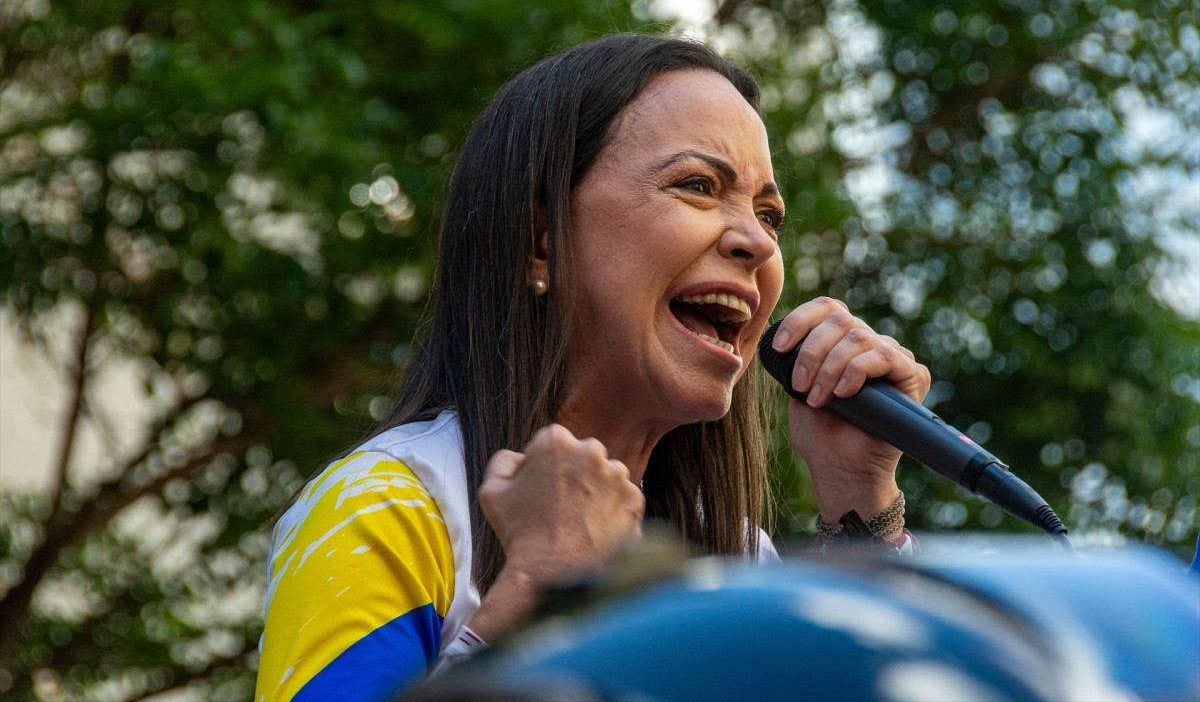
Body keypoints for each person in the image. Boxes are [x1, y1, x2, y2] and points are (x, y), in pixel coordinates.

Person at [253, 34, 931, 702]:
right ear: (542, 243)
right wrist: (539, 596)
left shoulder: (737, 558)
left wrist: (859, 506)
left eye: (768, 214)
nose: (755, 240)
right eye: (697, 185)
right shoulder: (390, 508)